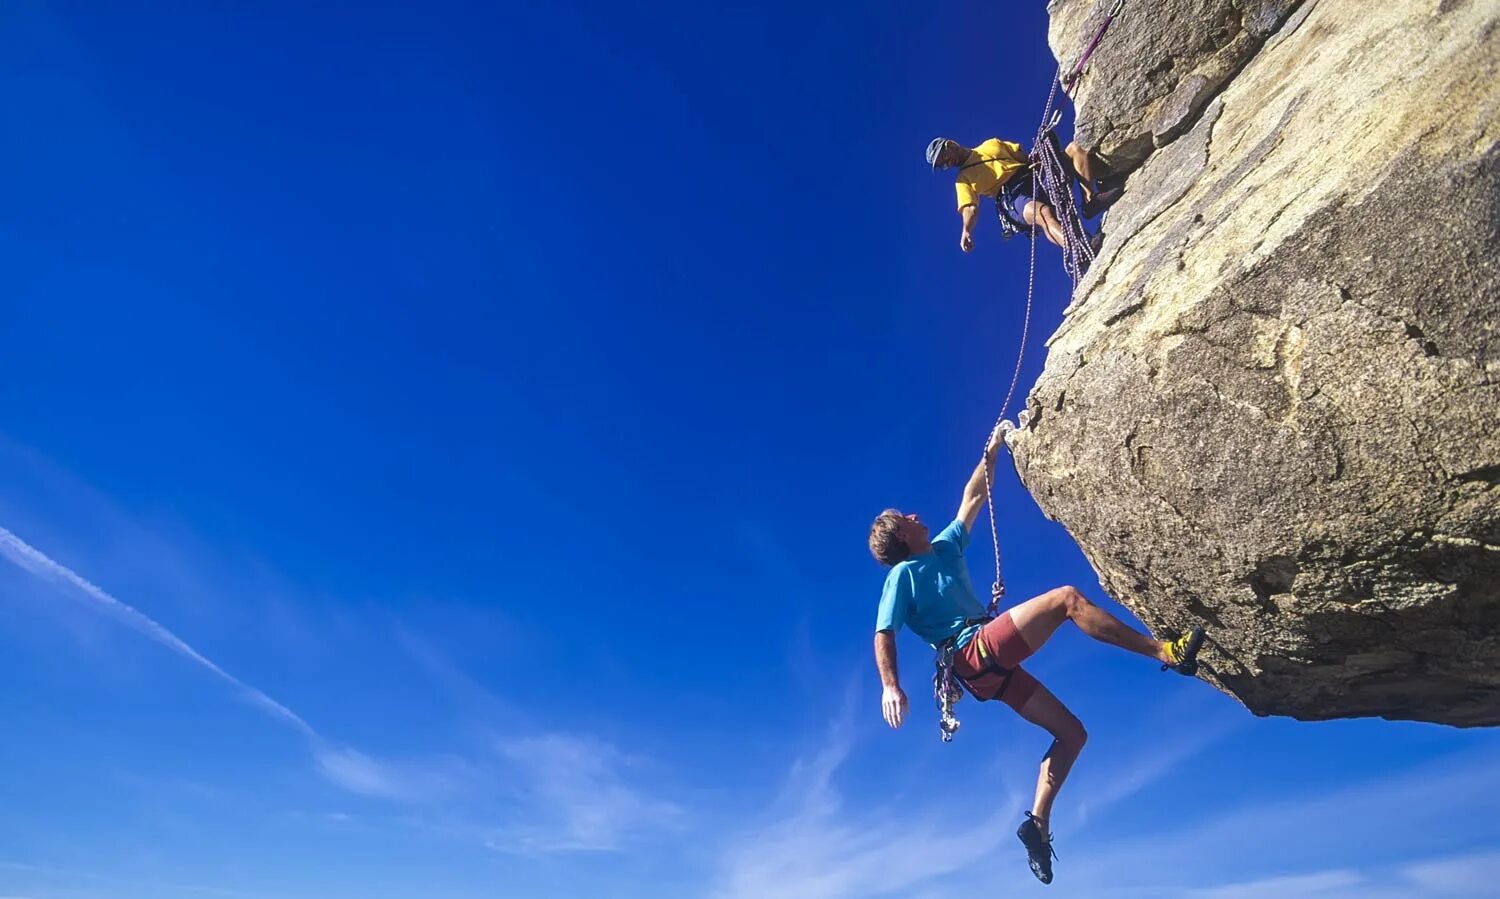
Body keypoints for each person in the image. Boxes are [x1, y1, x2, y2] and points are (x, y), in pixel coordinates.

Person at [868, 426, 1204, 885]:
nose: (913, 514)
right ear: (901, 535)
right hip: (971, 652)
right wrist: (891, 685)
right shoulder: (903, 575)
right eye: (904, 518)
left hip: (985, 673)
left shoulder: (943, 547)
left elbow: (972, 497)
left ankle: (1038, 825)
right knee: (1066, 599)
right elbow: (884, 632)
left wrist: (993, 449)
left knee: (1073, 734)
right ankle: (1166, 650)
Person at [925, 136, 1120, 254]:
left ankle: (1089, 201)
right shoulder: (963, 179)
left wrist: (1037, 163)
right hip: (1011, 196)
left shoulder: (992, 144)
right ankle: (1079, 247)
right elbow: (970, 207)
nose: (946, 164)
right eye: (943, 165)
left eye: (944, 158)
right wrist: (966, 230)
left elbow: (1023, 158)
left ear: (950, 145)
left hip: (1032, 176)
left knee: (1075, 150)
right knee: (1043, 214)